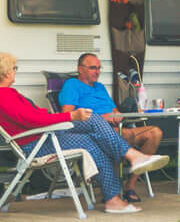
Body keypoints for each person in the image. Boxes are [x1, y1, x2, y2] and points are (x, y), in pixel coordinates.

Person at [0, 52, 169, 214]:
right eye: (14, 67)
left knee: (92, 123)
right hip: (37, 144)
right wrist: (71, 116)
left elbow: (34, 117)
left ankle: (119, 185)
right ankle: (125, 172)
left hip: (42, 136)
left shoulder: (2, 93)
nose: (16, 70)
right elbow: (34, 120)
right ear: (6, 72)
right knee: (92, 128)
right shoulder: (3, 96)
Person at [58, 53, 164, 204]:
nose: (97, 71)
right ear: (80, 69)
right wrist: (102, 119)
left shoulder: (100, 88)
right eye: (93, 68)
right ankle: (114, 190)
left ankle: (130, 185)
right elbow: (67, 115)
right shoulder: (72, 85)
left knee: (155, 133)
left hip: (118, 128)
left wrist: (117, 114)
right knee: (116, 136)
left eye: (99, 68)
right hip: (95, 131)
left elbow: (113, 110)